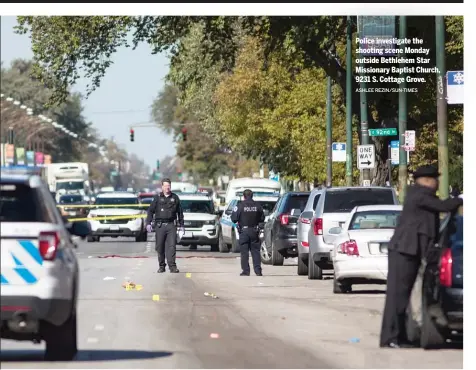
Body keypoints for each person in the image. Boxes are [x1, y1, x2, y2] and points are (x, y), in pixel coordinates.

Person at [379, 165, 463, 348]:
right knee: (397, 297)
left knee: (403, 297)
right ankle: (390, 338)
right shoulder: (419, 195)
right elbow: (443, 206)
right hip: (404, 252)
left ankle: (398, 336)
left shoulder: (419, 195)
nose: (437, 183)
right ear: (426, 180)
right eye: (435, 179)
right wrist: (459, 199)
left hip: (410, 252)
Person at [145, 178, 184, 273]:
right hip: (160, 226)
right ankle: (161, 266)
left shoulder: (175, 197)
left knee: (172, 247)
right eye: (165, 186)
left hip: (171, 225)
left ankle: (172, 266)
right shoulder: (157, 197)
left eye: (169, 186)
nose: (167, 188)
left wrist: (182, 225)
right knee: (160, 246)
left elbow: (180, 212)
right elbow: (150, 211)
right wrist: (148, 223)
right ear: (162, 187)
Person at [231, 189, 265, 276]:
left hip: (244, 231)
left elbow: (233, 219)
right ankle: (258, 271)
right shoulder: (258, 205)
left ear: (244, 196)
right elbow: (262, 219)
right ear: (252, 195)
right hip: (254, 230)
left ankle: (246, 271)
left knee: (244, 252)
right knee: (255, 252)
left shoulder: (240, 205)